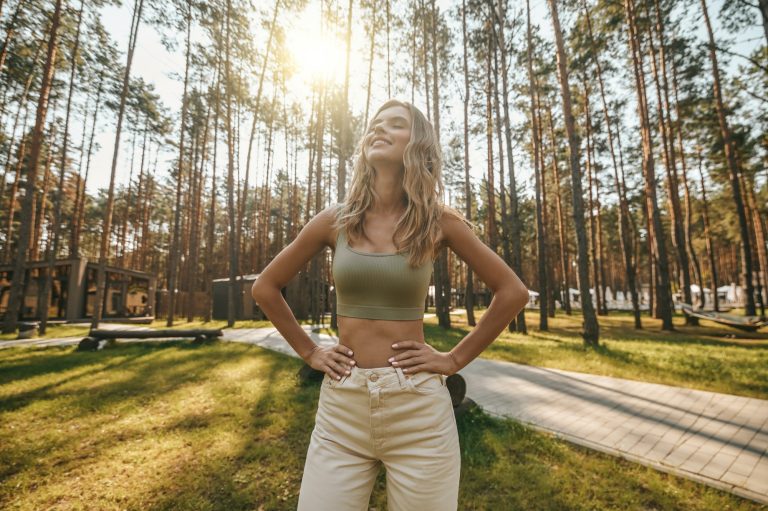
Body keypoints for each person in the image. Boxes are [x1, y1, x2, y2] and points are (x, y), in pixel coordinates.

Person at [251, 99, 528, 510]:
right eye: (375, 124)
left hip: (418, 411)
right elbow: (266, 287)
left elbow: (513, 291)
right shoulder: (335, 221)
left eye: (395, 124)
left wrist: (454, 360)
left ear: (417, 144)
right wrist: (310, 352)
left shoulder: (439, 222)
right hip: (342, 410)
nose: (379, 129)